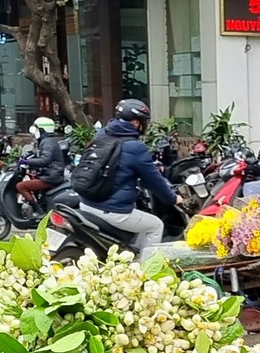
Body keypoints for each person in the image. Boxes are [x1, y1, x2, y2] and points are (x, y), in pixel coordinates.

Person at [80, 98, 180, 255]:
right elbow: (154, 181)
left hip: (86, 203)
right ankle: (144, 272)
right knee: (155, 226)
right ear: (135, 122)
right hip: (111, 210)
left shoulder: (102, 135)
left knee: (141, 221)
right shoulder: (135, 147)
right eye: (142, 122)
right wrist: (173, 199)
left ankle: (132, 255)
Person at [17, 116, 68, 204]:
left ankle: (36, 209)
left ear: (42, 129)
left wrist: (26, 162)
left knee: (21, 186)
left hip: (51, 177)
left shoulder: (47, 142)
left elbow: (45, 160)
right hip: (52, 174)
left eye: (37, 129)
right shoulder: (49, 140)